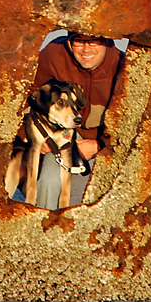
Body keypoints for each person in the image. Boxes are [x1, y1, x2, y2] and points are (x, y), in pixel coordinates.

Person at [32, 31, 123, 209]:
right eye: (79, 41)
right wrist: (39, 137)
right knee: (48, 180)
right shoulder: (54, 55)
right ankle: (46, 226)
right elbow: (27, 95)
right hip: (62, 133)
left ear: (106, 40)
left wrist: (100, 145)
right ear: (69, 42)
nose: (86, 48)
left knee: (118, 190)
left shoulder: (122, 66)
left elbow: (149, 123)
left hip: (109, 138)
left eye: (94, 41)